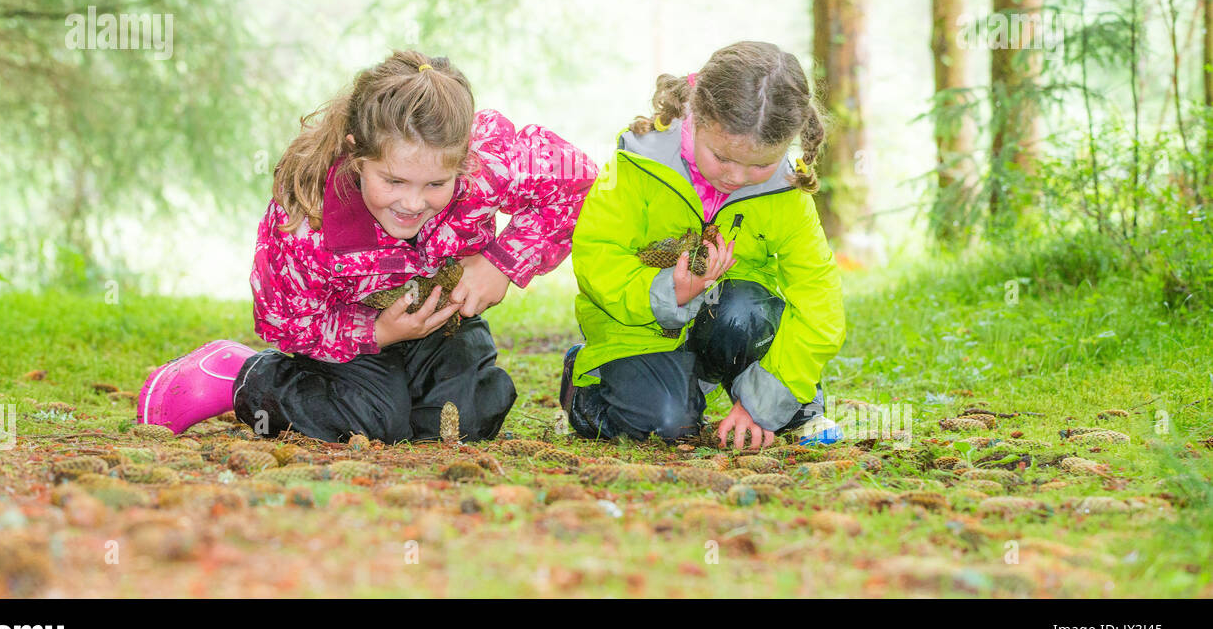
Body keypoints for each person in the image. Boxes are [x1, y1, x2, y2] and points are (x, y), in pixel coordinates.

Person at [138, 50, 598, 442]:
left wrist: (500, 262)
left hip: (440, 319)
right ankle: (240, 376)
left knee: (465, 418)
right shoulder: (308, 220)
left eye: (436, 183)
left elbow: (577, 184)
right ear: (358, 154)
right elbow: (287, 319)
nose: (414, 202)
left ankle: (410, 398)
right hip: (350, 335)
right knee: (370, 420)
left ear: (463, 160)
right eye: (393, 180)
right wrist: (376, 333)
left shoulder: (488, 161)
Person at [563, 40, 846, 448]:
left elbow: (820, 299)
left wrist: (762, 403)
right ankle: (589, 389)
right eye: (722, 157)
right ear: (696, 115)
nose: (735, 176)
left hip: (731, 322)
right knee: (664, 425)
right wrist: (667, 292)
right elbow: (596, 252)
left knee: (746, 309)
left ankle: (784, 406)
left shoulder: (786, 192)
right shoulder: (638, 164)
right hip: (640, 325)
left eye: (760, 165)